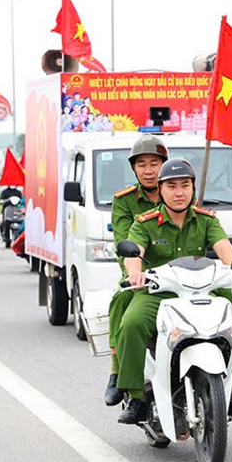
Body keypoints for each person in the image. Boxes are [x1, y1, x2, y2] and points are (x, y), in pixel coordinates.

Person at [114, 159, 232, 424]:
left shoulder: (206, 220)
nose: (179, 192)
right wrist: (135, 272)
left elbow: (224, 248)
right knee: (131, 324)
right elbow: (134, 253)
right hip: (158, 294)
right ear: (161, 188)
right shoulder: (145, 223)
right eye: (172, 186)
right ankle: (135, 396)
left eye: (185, 186)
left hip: (200, 292)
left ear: (192, 189)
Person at [103, 135, 168, 406]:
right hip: (141, 273)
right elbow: (124, 242)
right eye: (142, 164)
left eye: (154, 163)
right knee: (122, 301)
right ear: (134, 169)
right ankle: (117, 371)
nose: (149, 170)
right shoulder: (124, 201)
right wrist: (134, 273)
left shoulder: (180, 192)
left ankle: (229, 388)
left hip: (182, 276)